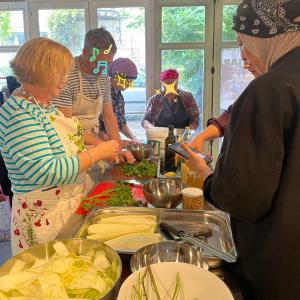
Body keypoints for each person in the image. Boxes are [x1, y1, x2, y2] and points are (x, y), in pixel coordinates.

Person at [182, 0, 300, 299]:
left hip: (277, 262)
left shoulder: (269, 88)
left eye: (242, 42)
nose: (244, 57)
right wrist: (208, 134)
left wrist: (206, 174)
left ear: (264, 37)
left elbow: (242, 198)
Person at [0, 37, 120, 254]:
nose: (65, 80)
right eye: (62, 73)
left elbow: (68, 143)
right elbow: (47, 172)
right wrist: (98, 152)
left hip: (62, 210)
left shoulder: (42, 105)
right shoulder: (20, 114)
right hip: (42, 220)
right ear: (43, 72)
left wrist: (101, 147)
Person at [51, 28, 133, 162]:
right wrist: (103, 146)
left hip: (94, 140)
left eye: (107, 64)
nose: (103, 69)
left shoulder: (103, 77)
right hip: (72, 146)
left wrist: (118, 148)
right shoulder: (66, 76)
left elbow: (109, 116)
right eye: (98, 63)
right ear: (85, 52)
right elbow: (67, 126)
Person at [190, 42, 265, 151]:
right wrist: (200, 137)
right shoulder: (255, 89)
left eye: (247, 60)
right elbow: (228, 118)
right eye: (243, 60)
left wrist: (203, 169)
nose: (245, 66)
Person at [99, 57, 139, 143]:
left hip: (113, 141)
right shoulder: (101, 92)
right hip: (99, 143)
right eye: (127, 80)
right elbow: (97, 131)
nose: (129, 84)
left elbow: (122, 124)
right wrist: (122, 142)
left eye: (131, 81)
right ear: (115, 76)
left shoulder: (119, 95)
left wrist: (134, 138)